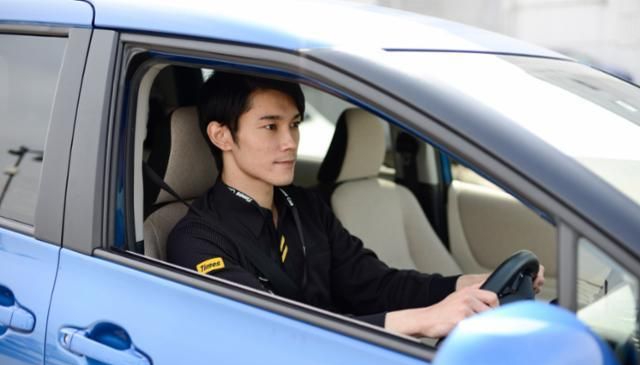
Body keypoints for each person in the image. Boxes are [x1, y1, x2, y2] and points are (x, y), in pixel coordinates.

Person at [167, 71, 545, 338]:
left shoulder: (305, 206)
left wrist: (462, 284)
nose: (290, 142)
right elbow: (274, 332)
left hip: (348, 356)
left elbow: (375, 284)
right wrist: (423, 320)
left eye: (294, 124)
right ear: (222, 136)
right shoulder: (198, 240)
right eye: (271, 126)